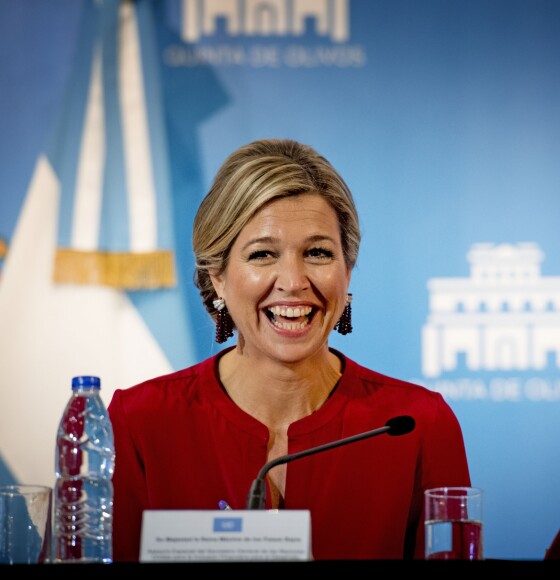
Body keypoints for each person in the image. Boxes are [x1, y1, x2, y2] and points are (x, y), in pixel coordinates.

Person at [108, 138, 471, 561]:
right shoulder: (139, 422)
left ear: (347, 270)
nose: (294, 280)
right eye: (263, 254)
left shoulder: (416, 425)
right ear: (218, 277)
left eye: (318, 252)